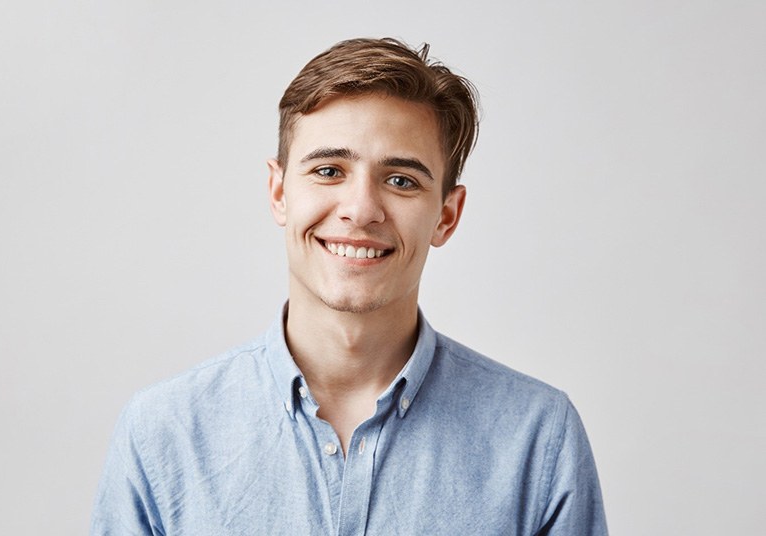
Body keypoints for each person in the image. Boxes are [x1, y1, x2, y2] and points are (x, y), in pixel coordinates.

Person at [91, 37, 608, 535]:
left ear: (446, 216)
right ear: (278, 192)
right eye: (329, 170)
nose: (360, 210)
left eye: (401, 180)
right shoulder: (163, 434)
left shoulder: (538, 439)